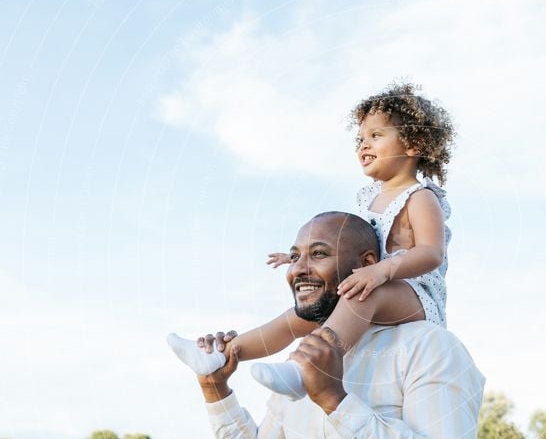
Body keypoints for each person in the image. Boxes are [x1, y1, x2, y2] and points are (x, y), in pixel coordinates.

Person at [167, 82, 455, 401]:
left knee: (363, 295)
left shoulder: (420, 197)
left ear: (414, 144)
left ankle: (303, 369)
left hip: (414, 294)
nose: (363, 145)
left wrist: (381, 272)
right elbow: (349, 249)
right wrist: (303, 257)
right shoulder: (368, 199)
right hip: (374, 283)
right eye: (359, 139)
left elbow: (431, 252)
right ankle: (222, 354)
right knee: (299, 315)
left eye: (376, 135)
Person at [197, 211, 485, 439]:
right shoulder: (304, 357)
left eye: (319, 254)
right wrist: (215, 389)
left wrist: (335, 400)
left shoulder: (429, 347)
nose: (299, 270)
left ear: (367, 264)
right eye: (294, 257)